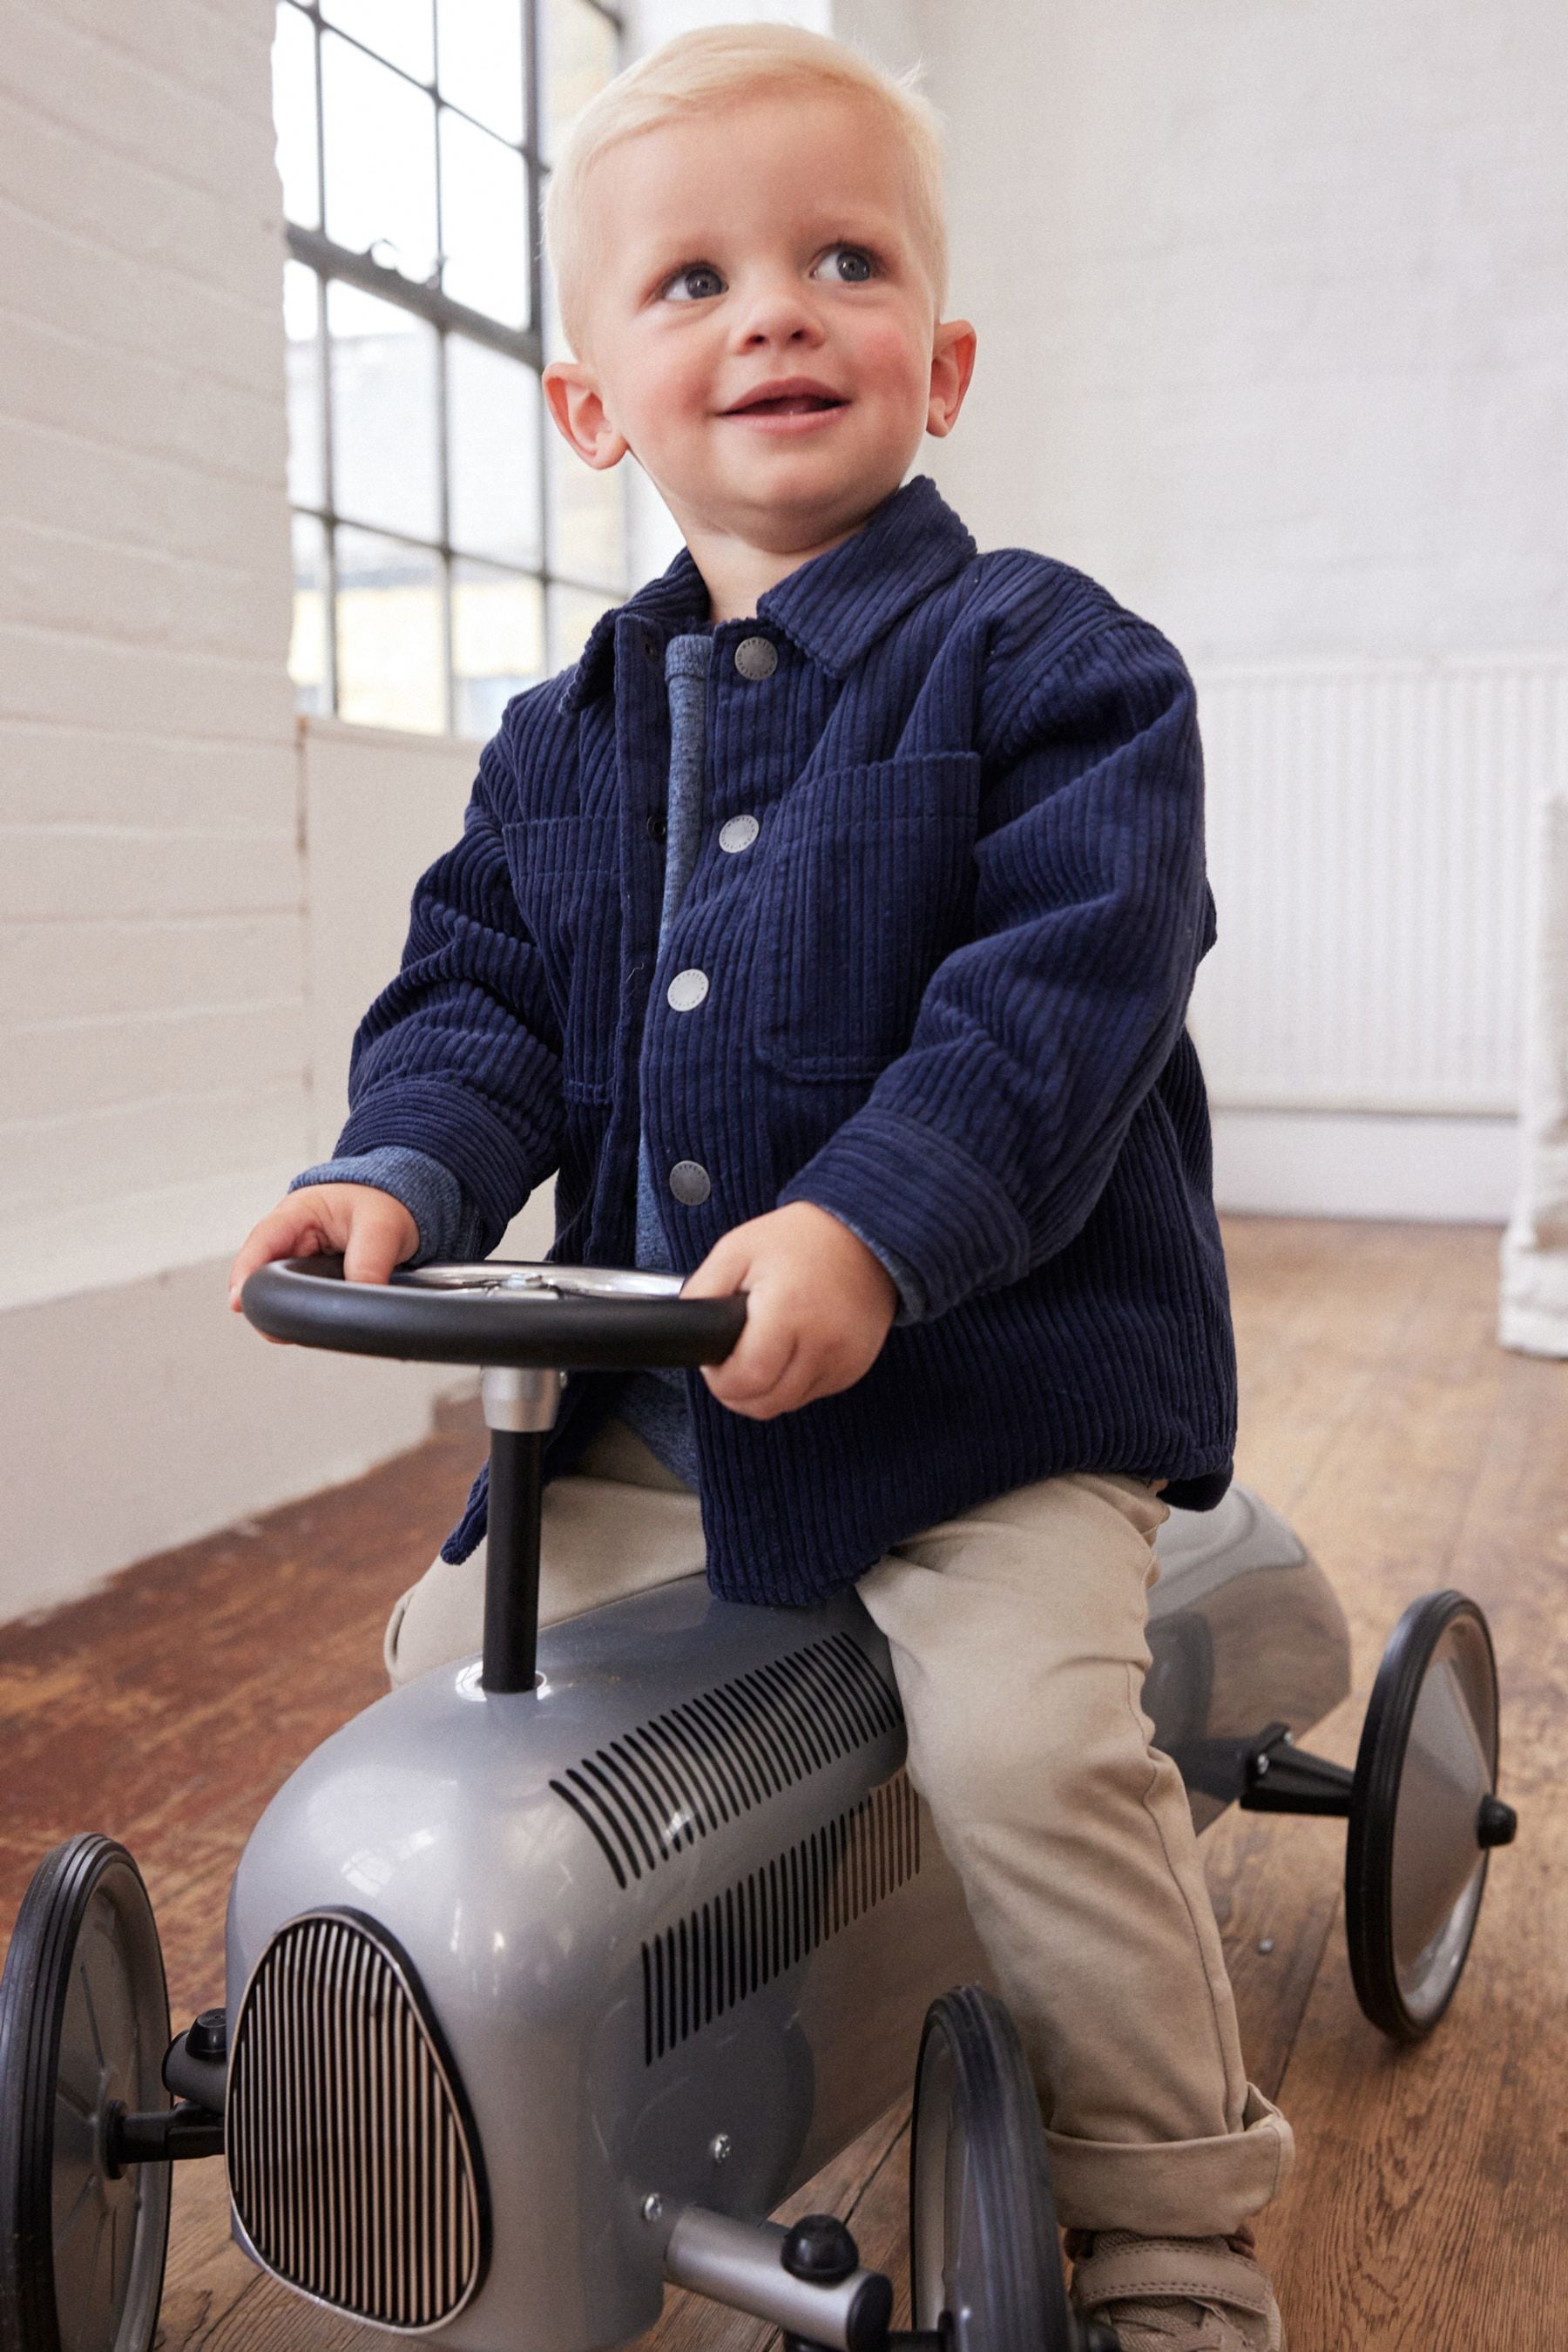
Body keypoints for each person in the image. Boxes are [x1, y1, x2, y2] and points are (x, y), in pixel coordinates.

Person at [230, 27, 1289, 2349]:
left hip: (985, 1400)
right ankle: (536, 2128)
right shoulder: (561, 742)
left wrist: (873, 1223)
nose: (776, 313)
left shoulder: (1060, 669)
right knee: (446, 1690)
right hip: (665, 1405)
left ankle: (1170, 2217)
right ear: (592, 402)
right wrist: (399, 1174)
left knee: (1032, 1742)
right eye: (693, 281)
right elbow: (482, 1002)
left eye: (843, 260)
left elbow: (1056, 1003)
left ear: (947, 351)